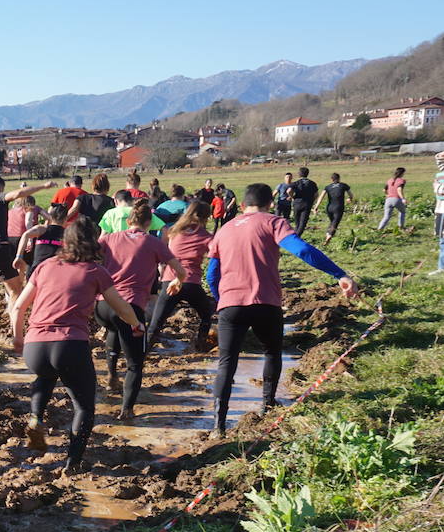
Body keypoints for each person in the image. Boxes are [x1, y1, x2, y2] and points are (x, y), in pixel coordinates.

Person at [207, 183, 359, 437]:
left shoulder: (224, 229)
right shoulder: (273, 222)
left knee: (226, 364)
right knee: (272, 352)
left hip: (231, 305)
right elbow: (301, 250)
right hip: (266, 303)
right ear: (269, 204)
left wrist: (221, 299)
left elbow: (212, 273)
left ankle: (218, 426)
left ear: (243, 206)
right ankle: (268, 404)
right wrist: (339, 274)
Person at [11, 219, 141, 472]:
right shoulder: (95, 271)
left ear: (65, 242)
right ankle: (73, 463)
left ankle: (36, 417)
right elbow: (121, 307)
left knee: (46, 375)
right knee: (83, 406)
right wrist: (136, 324)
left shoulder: (45, 266)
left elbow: (18, 307)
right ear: (92, 242)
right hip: (70, 345)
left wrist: (18, 338)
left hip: (35, 346)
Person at [97, 199, 186, 420]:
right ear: (149, 223)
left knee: (115, 329)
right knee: (135, 364)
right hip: (131, 307)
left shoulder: (108, 239)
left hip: (103, 306)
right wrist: (178, 282)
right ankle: (127, 409)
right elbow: (179, 270)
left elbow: (90, 257)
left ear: (128, 221)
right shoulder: (153, 243)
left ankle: (110, 377)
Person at [0, 176, 54, 331]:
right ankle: (16, 331)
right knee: (15, 290)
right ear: (1, 187)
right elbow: (18, 193)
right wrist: (44, 186)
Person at [145, 201, 215, 353]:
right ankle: (201, 345)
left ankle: (141, 355)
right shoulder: (206, 236)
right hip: (191, 282)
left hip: (169, 281)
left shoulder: (174, 231)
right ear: (206, 217)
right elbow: (215, 255)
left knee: (155, 325)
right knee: (206, 314)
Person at [15, 203, 67, 278]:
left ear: (51, 217)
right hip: (53, 271)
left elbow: (25, 235)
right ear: (65, 219)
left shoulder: (42, 229)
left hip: (37, 269)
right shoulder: (67, 233)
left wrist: (18, 256)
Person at [315, 174, 354, 240]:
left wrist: (316, 207)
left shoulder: (327, 187)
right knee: (335, 222)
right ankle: (329, 235)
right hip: (338, 207)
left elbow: (321, 197)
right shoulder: (344, 185)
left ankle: (328, 233)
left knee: (332, 221)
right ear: (339, 178)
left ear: (332, 179)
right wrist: (349, 198)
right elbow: (351, 195)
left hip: (329, 208)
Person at [289, 167, 318, 236]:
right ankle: (297, 237)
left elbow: (289, 191)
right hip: (307, 204)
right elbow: (316, 194)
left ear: (299, 174)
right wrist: (312, 200)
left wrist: (292, 197)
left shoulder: (296, 183)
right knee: (303, 223)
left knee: (297, 222)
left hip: (297, 204)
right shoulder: (312, 183)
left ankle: (295, 236)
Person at [378, 167, 408, 231]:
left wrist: (387, 195)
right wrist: (403, 199)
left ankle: (380, 228)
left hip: (388, 200)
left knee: (386, 216)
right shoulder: (401, 181)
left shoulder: (389, 180)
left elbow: (384, 190)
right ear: (402, 173)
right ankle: (401, 227)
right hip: (397, 199)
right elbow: (399, 190)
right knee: (402, 212)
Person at [433, 152, 444, 277]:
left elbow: (440, 192)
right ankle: (441, 266)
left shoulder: (439, 176)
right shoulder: (439, 175)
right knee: (442, 239)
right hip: (440, 210)